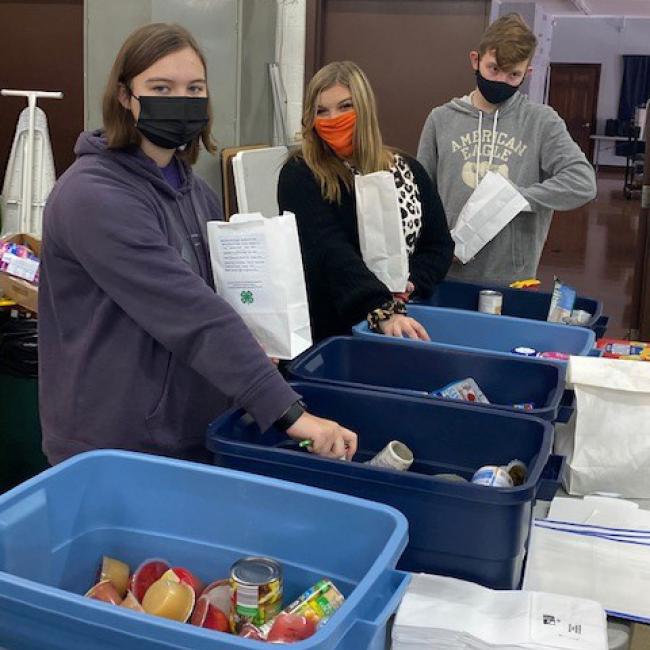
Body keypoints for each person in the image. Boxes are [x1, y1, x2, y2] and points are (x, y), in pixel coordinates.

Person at [38, 23, 357, 465]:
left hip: (186, 433)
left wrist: (258, 349)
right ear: (126, 97)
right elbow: (189, 311)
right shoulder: (93, 197)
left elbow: (220, 298)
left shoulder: (196, 192)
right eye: (160, 87)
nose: (180, 101)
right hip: (112, 448)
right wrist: (286, 411)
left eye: (194, 88)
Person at [278, 61, 454, 343]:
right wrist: (381, 308)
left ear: (365, 109)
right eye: (321, 111)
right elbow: (328, 251)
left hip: (404, 322)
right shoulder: (301, 173)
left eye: (345, 106)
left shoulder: (407, 170)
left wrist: (411, 283)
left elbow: (439, 244)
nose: (333, 118)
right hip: (333, 332)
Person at [417, 13, 597, 286]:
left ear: (528, 74)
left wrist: (516, 198)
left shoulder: (542, 122)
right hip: (445, 271)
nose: (501, 80)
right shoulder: (440, 119)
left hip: (513, 277)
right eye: (494, 69)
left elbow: (583, 182)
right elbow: (421, 193)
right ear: (475, 60)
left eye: (513, 74)